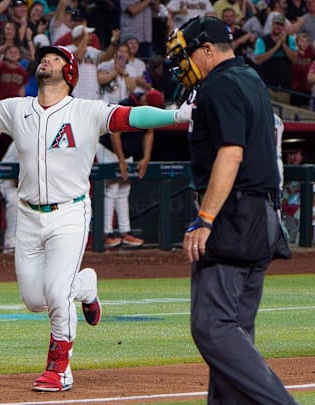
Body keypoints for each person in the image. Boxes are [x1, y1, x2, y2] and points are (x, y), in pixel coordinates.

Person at [0, 44, 192, 392]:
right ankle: (85, 286)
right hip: (28, 214)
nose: (45, 60)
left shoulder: (85, 110)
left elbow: (131, 117)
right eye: (43, 56)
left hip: (69, 211)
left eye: (55, 57)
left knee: (55, 291)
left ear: (68, 72)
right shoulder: (17, 108)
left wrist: (176, 115)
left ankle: (59, 368)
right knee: (35, 300)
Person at [165, 16, 295, 403]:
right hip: (262, 220)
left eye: (186, 53)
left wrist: (204, 219)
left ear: (208, 49)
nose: (182, 63)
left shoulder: (219, 84)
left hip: (234, 219)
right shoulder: (250, 79)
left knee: (213, 327)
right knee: (235, 330)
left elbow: (231, 153)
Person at [97, 89, 164, 248]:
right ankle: (106, 234)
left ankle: (125, 232)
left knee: (124, 189)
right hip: (108, 147)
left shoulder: (145, 107)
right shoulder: (126, 106)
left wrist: (146, 158)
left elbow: (149, 132)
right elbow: (115, 134)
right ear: (145, 101)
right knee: (112, 188)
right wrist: (121, 161)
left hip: (126, 151)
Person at [0, 141, 18, 253]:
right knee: (15, 200)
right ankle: (10, 244)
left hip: (26, 183)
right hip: (6, 180)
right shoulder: (24, 139)